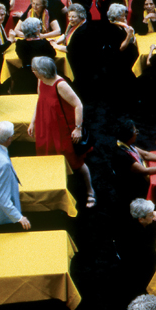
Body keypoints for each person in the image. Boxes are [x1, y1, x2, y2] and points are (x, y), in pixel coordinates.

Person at [28, 56, 95, 208]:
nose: (33, 72)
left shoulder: (60, 85)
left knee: (75, 161)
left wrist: (77, 129)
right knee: (50, 156)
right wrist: (33, 121)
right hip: (47, 125)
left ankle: (90, 190)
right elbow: (40, 100)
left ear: (42, 72)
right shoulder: (41, 80)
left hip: (63, 128)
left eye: (35, 70)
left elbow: (78, 105)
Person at [113, 119, 156, 210]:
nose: (137, 133)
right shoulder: (122, 155)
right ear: (128, 136)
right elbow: (145, 170)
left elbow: (146, 154)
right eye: (135, 131)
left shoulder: (127, 144)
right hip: (132, 187)